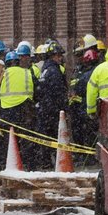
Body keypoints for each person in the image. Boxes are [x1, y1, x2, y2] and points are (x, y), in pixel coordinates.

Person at [0, 50, 37, 170]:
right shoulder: (28, 73)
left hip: (7, 112)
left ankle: (8, 165)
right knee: (27, 139)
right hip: (26, 110)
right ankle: (29, 166)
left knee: (8, 141)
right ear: (18, 62)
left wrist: (0, 108)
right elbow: (38, 91)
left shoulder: (2, 75)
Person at [34, 41, 68, 170]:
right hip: (52, 110)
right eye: (58, 55)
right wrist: (64, 108)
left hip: (45, 109)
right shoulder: (54, 71)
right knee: (56, 137)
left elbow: (40, 90)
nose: (60, 58)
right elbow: (58, 92)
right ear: (52, 56)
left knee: (46, 136)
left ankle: (46, 161)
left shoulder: (45, 69)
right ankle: (56, 161)